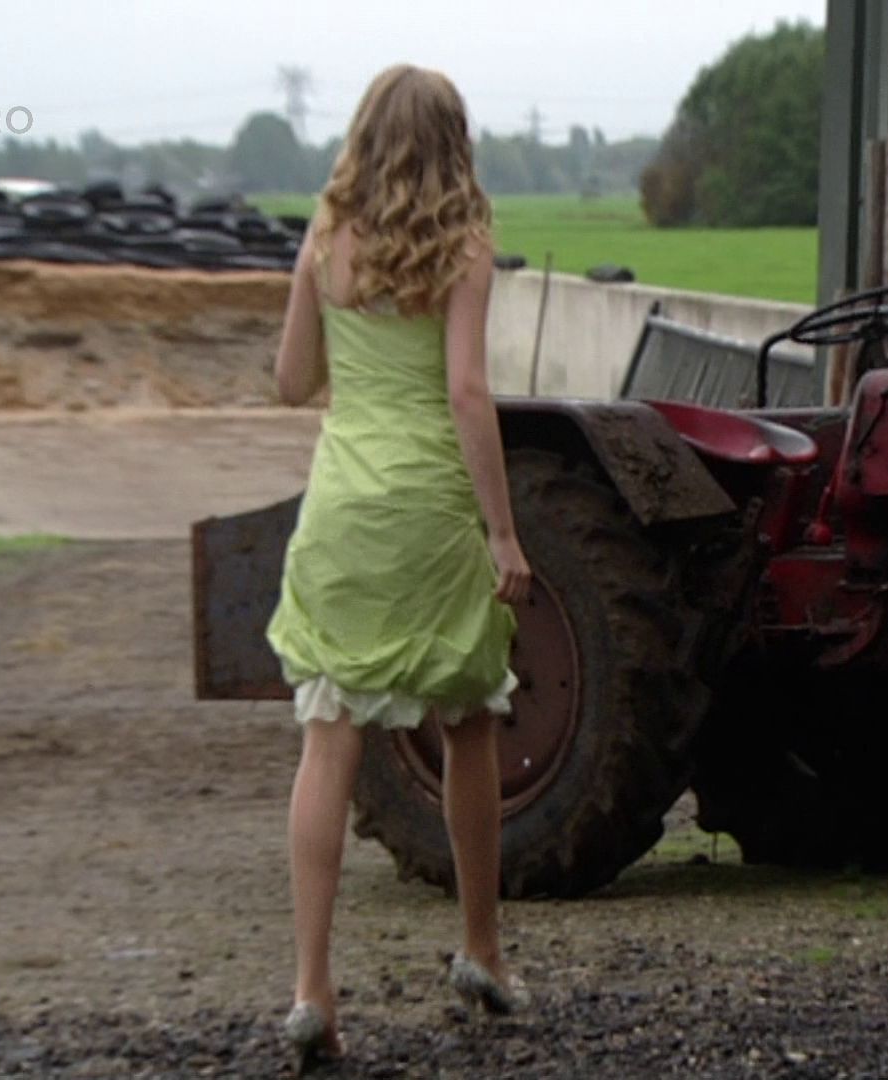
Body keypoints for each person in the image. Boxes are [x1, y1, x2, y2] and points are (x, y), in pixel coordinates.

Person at [262, 63, 533, 1072]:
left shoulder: (325, 236)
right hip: (430, 509)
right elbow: (466, 394)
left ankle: (310, 989)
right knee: (468, 722)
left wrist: (325, 301)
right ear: (454, 143)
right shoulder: (465, 246)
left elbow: (293, 383)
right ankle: (481, 951)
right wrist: (503, 533)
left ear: (365, 136)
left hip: (343, 508)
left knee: (328, 736)